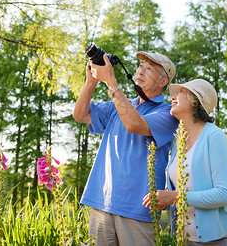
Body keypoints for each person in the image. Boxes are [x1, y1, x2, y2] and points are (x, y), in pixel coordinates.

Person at [73, 50, 179, 246]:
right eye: (140, 66)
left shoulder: (168, 113)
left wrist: (112, 82)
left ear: (164, 82)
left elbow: (135, 124)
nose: (141, 71)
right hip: (101, 201)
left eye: (149, 68)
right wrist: (91, 82)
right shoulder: (120, 104)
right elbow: (80, 115)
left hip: (138, 209)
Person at [142, 78, 227, 246]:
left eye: (181, 92)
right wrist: (164, 200)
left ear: (195, 101)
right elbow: (185, 189)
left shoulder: (214, 136)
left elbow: (226, 194)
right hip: (185, 238)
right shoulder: (177, 141)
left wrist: (175, 197)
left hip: (221, 238)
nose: (173, 96)